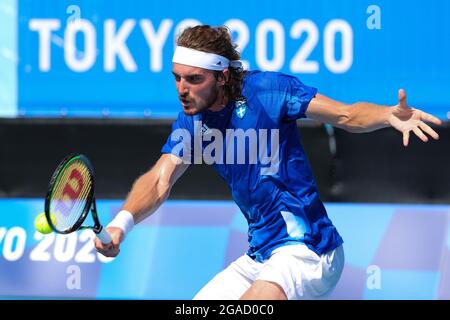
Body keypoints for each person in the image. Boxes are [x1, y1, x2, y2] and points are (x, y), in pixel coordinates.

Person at [94, 25, 442, 300]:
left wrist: (387, 114)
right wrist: (121, 225)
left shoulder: (269, 91)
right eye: (177, 78)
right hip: (260, 256)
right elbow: (159, 179)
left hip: (309, 251)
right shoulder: (193, 121)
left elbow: (345, 114)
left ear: (223, 76)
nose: (182, 89)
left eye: (194, 79)